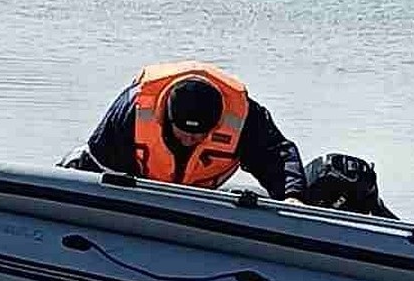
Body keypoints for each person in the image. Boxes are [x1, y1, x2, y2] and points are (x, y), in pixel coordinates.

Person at [62, 61, 307, 202]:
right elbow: (103, 164)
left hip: (197, 196)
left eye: (200, 134)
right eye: (184, 132)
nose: (190, 139)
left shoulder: (243, 117)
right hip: (138, 183)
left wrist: (291, 195)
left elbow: (276, 155)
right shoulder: (132, 110)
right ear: (166, 118)